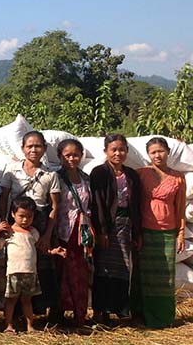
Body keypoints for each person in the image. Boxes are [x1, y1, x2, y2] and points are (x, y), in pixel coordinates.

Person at [0, 131, 61, 316]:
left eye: (38, 146)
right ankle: (16, 314)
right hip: (16, 222)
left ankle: (37, 311)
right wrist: (4, 223)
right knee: (17, 264)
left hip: (39, 221)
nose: (34, 150)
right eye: (30, 146)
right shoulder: (11, 170)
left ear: (45, 148)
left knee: (41, 266)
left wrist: (47, 235)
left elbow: (55, 206)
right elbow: (3, 198)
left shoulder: (51, 174)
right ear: (23, 148)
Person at [89, 134, 142, 324]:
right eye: (113, 150)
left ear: (127, 151)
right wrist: (102, 231)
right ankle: (99, 311)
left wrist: (136, 232)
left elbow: (136, 205)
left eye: (122, 149)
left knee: (122, 269)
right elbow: (97, 203)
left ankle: (118, 309)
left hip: (125, 226)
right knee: (103, 269)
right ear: (106, 151)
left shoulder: (132, 175)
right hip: (106, 226)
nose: (118, 153)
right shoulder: (99, 173)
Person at [0, 196, 66, 333]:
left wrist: (54, 251)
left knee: (27, 301)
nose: (25, 220)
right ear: (13, 214)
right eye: (21, 216)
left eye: (29, 216)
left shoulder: (34, 232)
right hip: (14, 272)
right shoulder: (9, 232)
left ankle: (30, 326)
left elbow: (42, 249)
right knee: (11, 300)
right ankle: (9, 326)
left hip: (30, 272)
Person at [135, 137, 186, 328]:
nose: (158, 155)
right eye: (153, 152)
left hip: (167, 232)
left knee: (165, 277)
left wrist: (181, 233)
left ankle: (164, 318)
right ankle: (143, 316)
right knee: (145, 276)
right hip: (145, 230)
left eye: (161, 151)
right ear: (148, 155)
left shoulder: (178, 177)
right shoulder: (141, 174)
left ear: (168, 152)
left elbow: (180, 208)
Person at [55, 139, 95, 324]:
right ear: (59, 156)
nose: (72, 158)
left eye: (76, 155)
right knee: (62, 272)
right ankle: (59, 313)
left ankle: (80, 315)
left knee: (81, 273)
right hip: (63, 231)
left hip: (82, 233)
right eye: (67, 155)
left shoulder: (86, 178)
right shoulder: (55, 178)